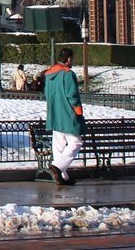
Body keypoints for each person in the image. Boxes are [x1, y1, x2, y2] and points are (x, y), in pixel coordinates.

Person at [43, 46, 83, 186]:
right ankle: (57, 166)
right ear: (69, 59)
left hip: (54, 113)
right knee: (76, 142)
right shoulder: (67, 74)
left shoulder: (49, 74)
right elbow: (72, 95)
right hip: (67, 112)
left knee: (59, 146)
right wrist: (78, 110)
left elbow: (47, 94)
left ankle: (62, 176)